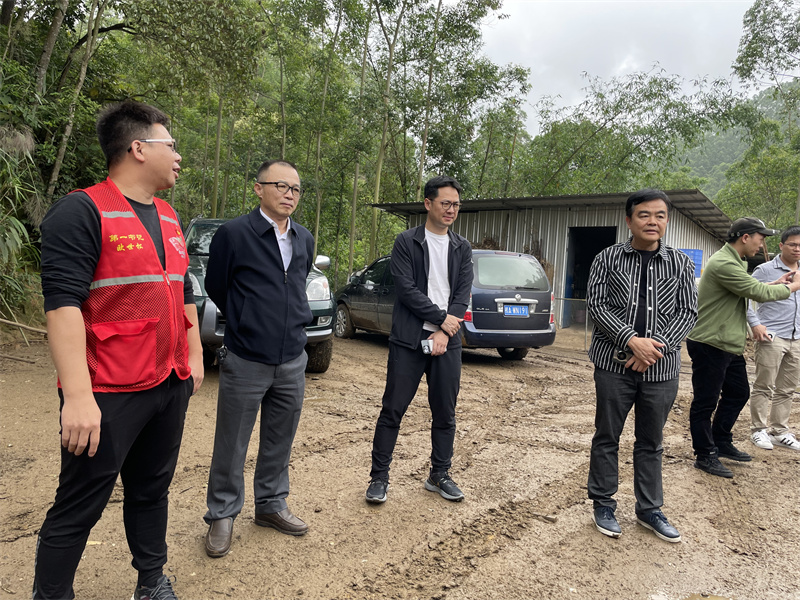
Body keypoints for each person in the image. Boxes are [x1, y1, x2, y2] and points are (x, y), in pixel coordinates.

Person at [34, 100, 204, 600]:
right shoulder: (82, 211)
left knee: (152, 489)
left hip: (168, 382)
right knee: (80, 502)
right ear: (138, 148)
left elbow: (183, 290)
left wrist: (193, 357)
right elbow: (62, 306)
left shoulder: (169, 216)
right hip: (107, 390)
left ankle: (150, 580)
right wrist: (77, 397)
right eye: (170, 145)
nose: (178, 155)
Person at [203, 160, 314, 558]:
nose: (289, 194)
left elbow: (296, 285)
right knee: (232, 441)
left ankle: (270, 504)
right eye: (281, 186)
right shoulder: (234, 234)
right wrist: (246, 319)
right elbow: (216, 285)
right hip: (246, 357)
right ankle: (222, 513)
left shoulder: (304, 238)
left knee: (280, 438)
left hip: (292, 358)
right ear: (258, 188)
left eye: (295, 189)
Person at [586, 189, 697, 543]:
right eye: (644, 215)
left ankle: (649, 509)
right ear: (629, 220)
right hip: (613, 366)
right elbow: (597, 305)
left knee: (651, 441)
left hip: (661, 371)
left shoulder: (681, 263)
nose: (652, 221)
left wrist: (653, 349)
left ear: (667, 220)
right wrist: (631, 340)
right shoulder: (607, 258)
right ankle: (603, 503)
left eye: (660, 215)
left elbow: (687, 312)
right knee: (607, 436)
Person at [365, 175, 473, 504]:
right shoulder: (406, 242)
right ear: (428, 203)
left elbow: (462, 293)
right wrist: (441, 319)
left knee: (445, 413)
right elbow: (406, 290)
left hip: (448, 341)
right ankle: (379, 478)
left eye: (456, 205)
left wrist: (444, 330)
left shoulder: (462, 247)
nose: (451, 210)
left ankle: (439, 474)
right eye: (445, 203)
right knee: (392, 410)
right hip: (408, 340)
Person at [687, 217, 800, 478]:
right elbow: (758, 294)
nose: (761, 245)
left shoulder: (737, 261)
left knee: (738, 392)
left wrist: (777, 283)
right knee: (705, 402)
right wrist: (794, 286)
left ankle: (721, 440)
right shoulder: (724, 262)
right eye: (760, 239)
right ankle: (704, 454)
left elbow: (748, 289)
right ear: (745, 237)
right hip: (711, 342)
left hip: (728, 342)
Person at [746, 225, 800, 451]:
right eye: (792, 244)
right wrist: (755, 324)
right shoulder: (765, 270)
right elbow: (744, 298)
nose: (797, 249)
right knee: (764, 385)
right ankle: (758, 430)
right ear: (781, 245)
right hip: (772, 336)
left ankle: (779, 431)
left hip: (797, 337)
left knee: (787, 388)